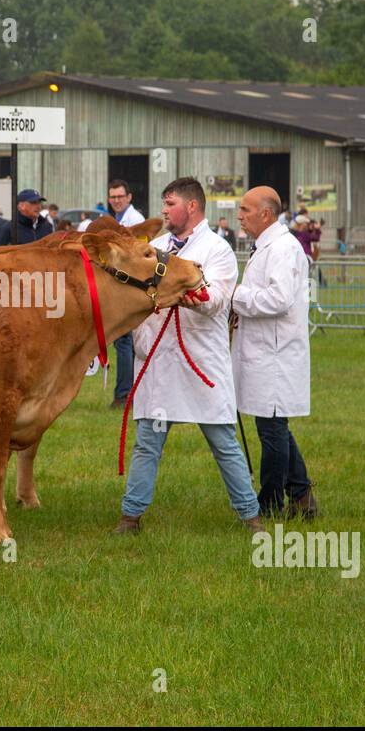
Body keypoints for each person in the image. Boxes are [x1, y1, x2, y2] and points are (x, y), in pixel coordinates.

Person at [113, 177, 263, 536]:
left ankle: (251, 517)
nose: (164, 211)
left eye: (170, 204)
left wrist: (177, 291)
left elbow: (214, 301)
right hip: (158, 362)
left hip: (199, 362)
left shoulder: (218, 249)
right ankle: (130, 517)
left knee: (223, 443)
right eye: (164, 204)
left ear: (191, 207)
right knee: (148, 442)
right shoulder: (156, 247)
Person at [233, 186, 317, 519]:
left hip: (276, 354)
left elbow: (278, 299)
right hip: (265, 350)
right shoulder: (268, 246)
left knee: (272, 428)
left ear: (265, 214)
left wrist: (235, 296)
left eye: (244, 209)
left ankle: (269, 503)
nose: (239, 215)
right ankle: (301, 492)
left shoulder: (282, 249)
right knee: (273, 424)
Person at [105, 180, 147, 409]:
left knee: (124, 340)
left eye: (120, 196)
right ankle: (127, 393)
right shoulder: (117, 220)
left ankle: (123, 395)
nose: (116, 200)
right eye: (113, 197)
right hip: (121, 287)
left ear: (129, 197)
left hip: (130, 288)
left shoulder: (136, 222)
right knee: (125, 342)